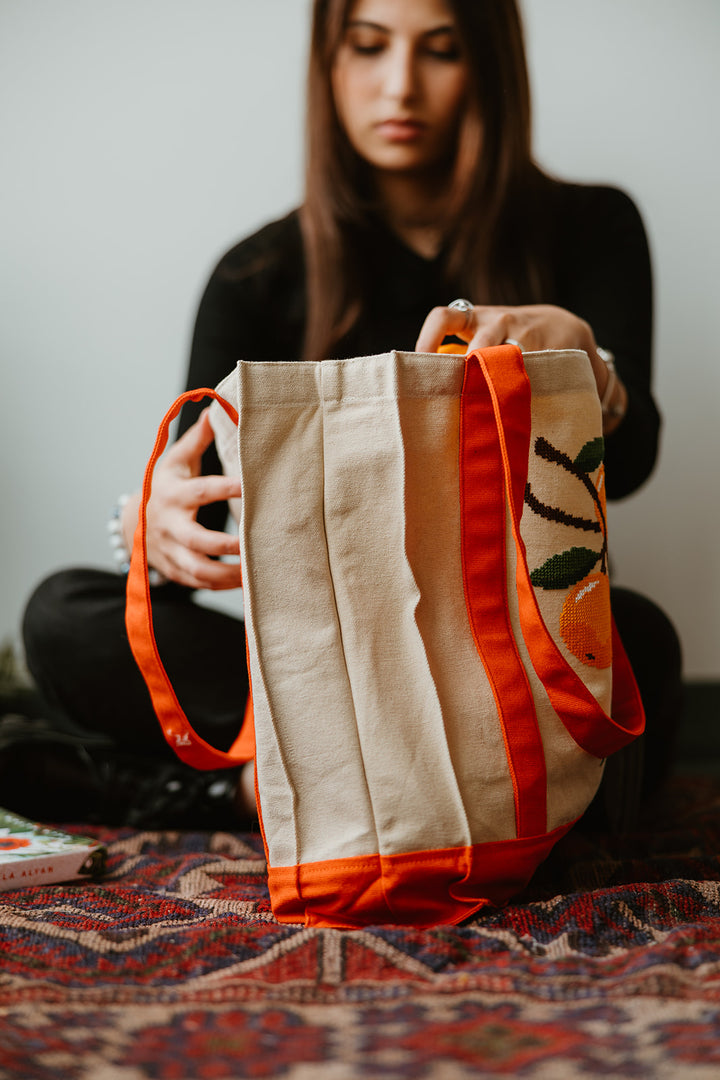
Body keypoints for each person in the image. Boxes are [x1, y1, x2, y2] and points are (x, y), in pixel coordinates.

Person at [8, 0, 681, 831]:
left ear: (491, 67)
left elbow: (636, 458)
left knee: (641, 639)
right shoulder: (256, 273)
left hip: (504, 655)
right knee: (63, 616)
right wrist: (150, 523)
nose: (400, 85)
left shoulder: (593, 225)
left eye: (440, 50)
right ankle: (440, 792)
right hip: (323, 663)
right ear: (327, 63)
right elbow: (207, 509)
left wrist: (589, 368)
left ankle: (252, 797)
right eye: (367, 47)